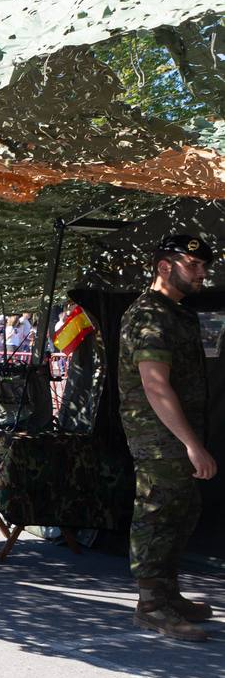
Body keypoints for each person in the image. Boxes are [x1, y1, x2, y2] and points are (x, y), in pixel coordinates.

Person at [119, 234, 218, 642]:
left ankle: (167, 593)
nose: (201, 273)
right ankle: (151, 604)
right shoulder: (148, 315)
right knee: (157, 513)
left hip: (178, 433)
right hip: (158, 435)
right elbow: (155, 385)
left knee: (182, 510)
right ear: (165, 266)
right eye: (193, 265)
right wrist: (192, 444)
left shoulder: (176, 313)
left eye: (203, 267)